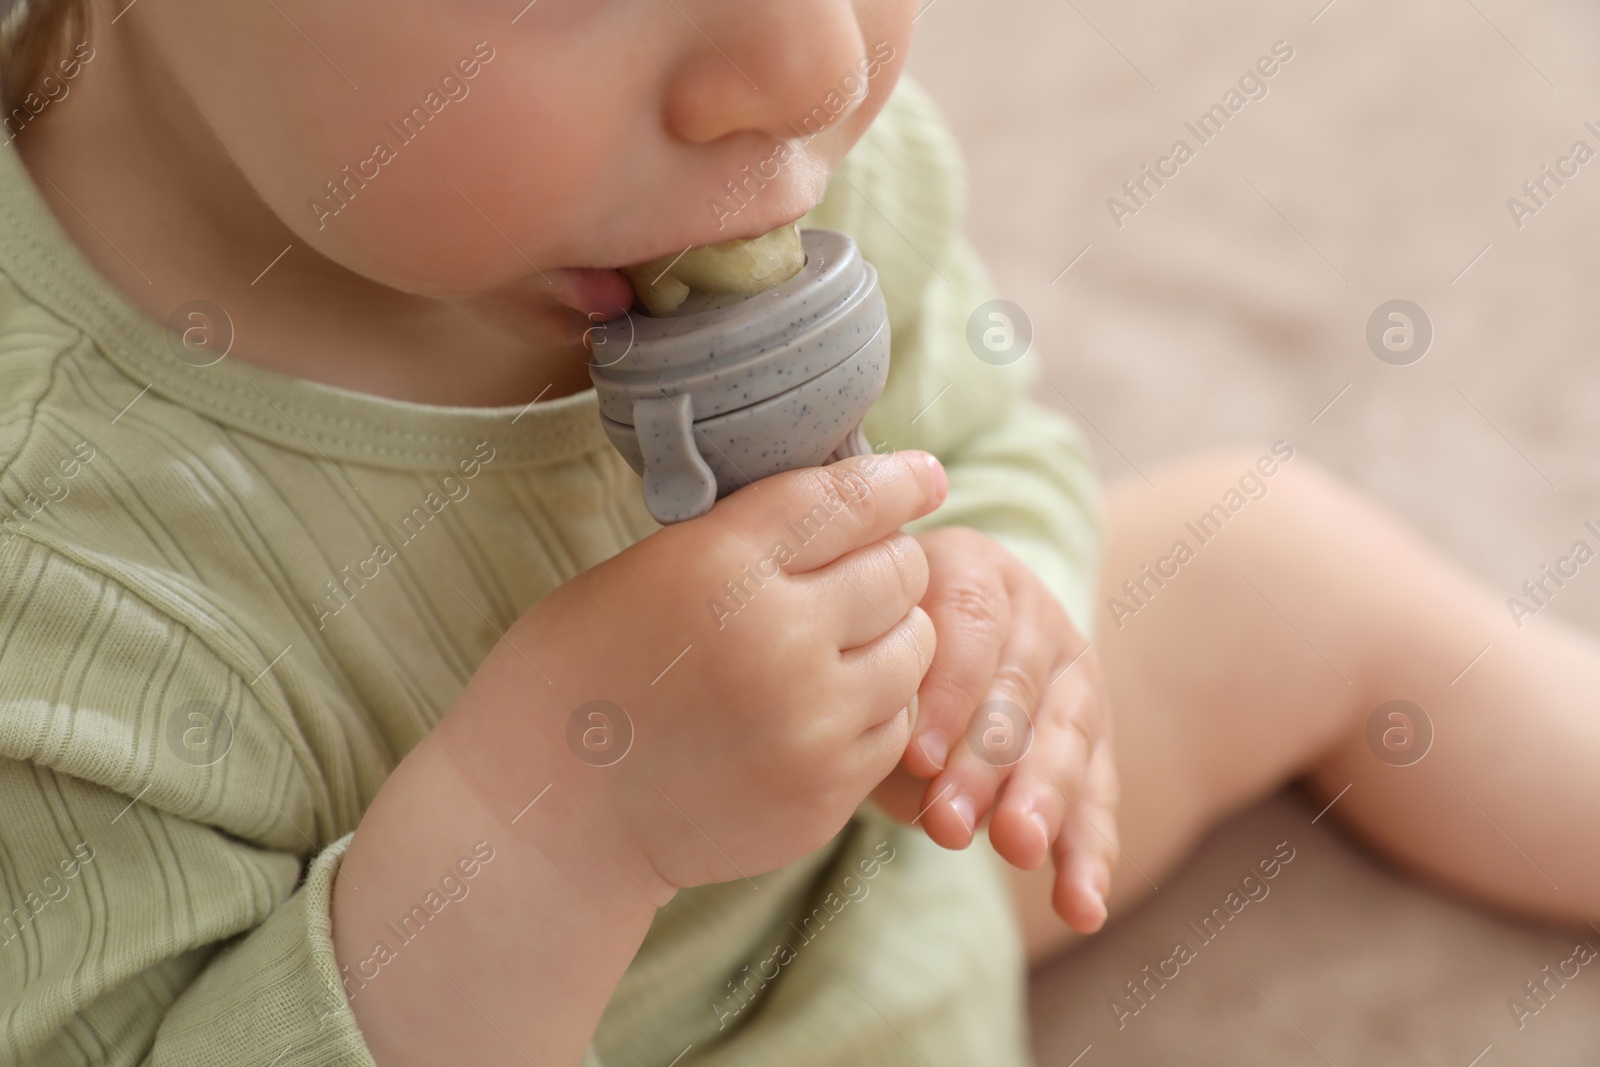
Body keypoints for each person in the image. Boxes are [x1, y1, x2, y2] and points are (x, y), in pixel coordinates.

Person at [0, 2, 1594, 1064]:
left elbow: (980, 441)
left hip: (888, 876)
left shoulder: (739, 155)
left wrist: (1003, 631)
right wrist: (557, 826)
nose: (816, 64)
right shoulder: (53, 557)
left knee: (1277, 564)